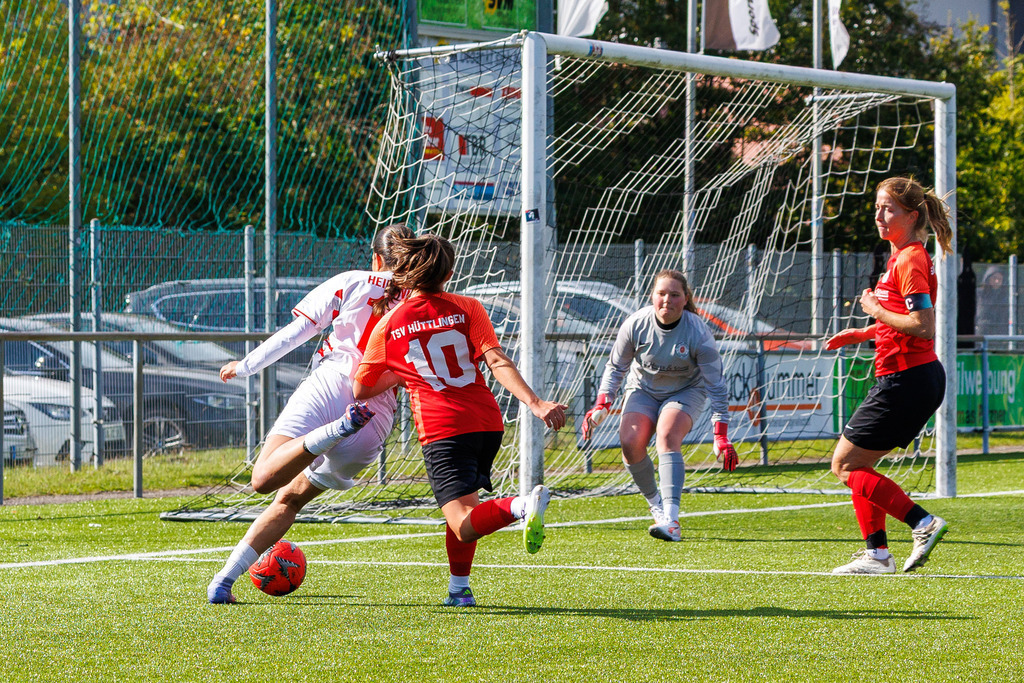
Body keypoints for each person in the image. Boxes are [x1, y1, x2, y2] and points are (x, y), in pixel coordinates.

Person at [352, 233, 567, 607]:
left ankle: (520, 507)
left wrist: (407, 371)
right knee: (465, 508)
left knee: (463, 524)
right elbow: (497, 361)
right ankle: (459, 590)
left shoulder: (389, 324)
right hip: (486, 422)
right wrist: (535, 403)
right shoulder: (469, 307)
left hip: (442, 430)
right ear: (449, 273)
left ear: (402, 273)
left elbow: (362, 389)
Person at [206, 223, 415, 604]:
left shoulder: (353, 280)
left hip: (330, 384)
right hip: (375, 415)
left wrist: (247, 366)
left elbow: (297, 332)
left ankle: (333, 430)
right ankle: (222, 582)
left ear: (376, 257)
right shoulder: (421, 299)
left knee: (263, 479)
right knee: (290, 499)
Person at [825, 176, 952, 575]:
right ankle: (877, 554)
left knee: (844, 466)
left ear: (912, 216)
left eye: (888, 209)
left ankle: (922, 523)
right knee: (859, 466)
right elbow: (903, 321)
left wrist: (874, 312)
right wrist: (864, 332)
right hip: (907, 379)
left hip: (908, 380)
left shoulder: (911, 257)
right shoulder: (900, 257)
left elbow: (924, 325)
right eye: (877, 207)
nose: (879, 215)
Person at [581, 269, 737, 542]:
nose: (667, 300)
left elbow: (716, 385)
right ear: (652, 296)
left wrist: (720, 433)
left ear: (685, 298)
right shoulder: (635, 324)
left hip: (687, 390)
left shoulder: (699, 332)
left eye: (674, 295)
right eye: (661, 294)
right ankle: (658, 507)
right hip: (643, 389)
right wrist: (602, 403)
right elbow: (616, 367)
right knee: (630, 443)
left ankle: (673, 522)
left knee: (667, 436)